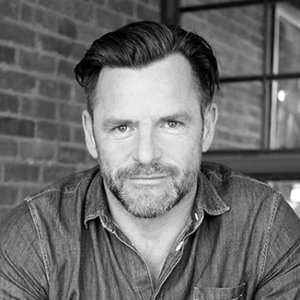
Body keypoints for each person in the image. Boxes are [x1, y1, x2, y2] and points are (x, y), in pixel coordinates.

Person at [0, 21, 300, 300]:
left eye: (170, 124)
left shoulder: (266, 225)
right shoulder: (36, 236)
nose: (146, 155)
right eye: (122, 127)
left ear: (207, 127)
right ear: (90, 134)